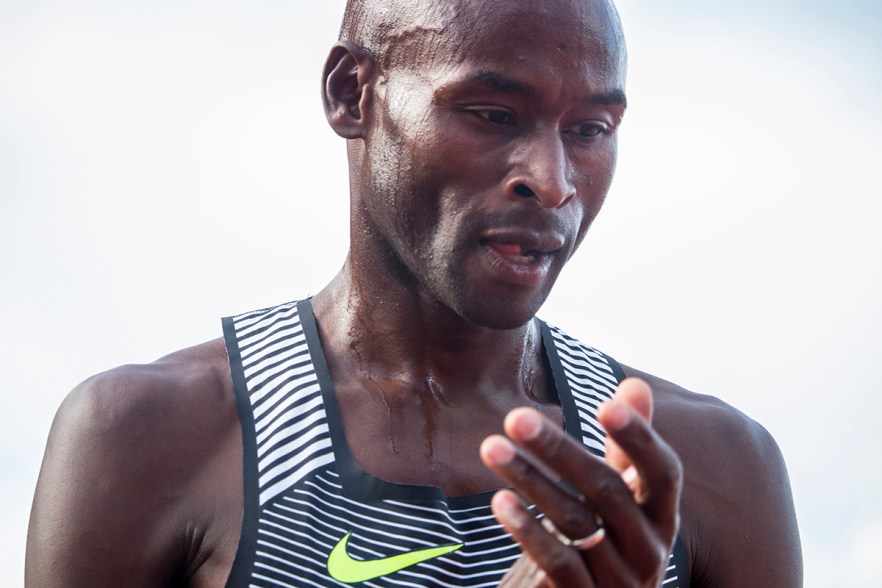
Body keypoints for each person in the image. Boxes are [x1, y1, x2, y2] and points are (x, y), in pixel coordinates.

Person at [25, 0, 802, 586]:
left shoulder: (714, 468)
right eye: (493, 114)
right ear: (351, 92)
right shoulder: (147, 437)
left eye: (591, 129)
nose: (553, 181)